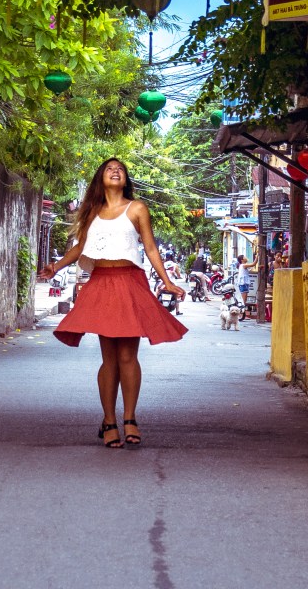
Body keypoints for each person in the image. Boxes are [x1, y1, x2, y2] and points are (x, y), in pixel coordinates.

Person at [39, 157, 187, 448]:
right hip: (102, 283)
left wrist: (167, 281)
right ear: (100, 178)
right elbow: (81, 247)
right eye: (109, 168)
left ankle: (130, 419)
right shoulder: (92, 211)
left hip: (130, 281)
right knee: (109, 358)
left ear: (126, 178)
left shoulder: (137, 208)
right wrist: (55, 267)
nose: (116, 171)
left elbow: (151, 247)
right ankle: (109, 420)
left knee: (128, 356)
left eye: (120, 168)